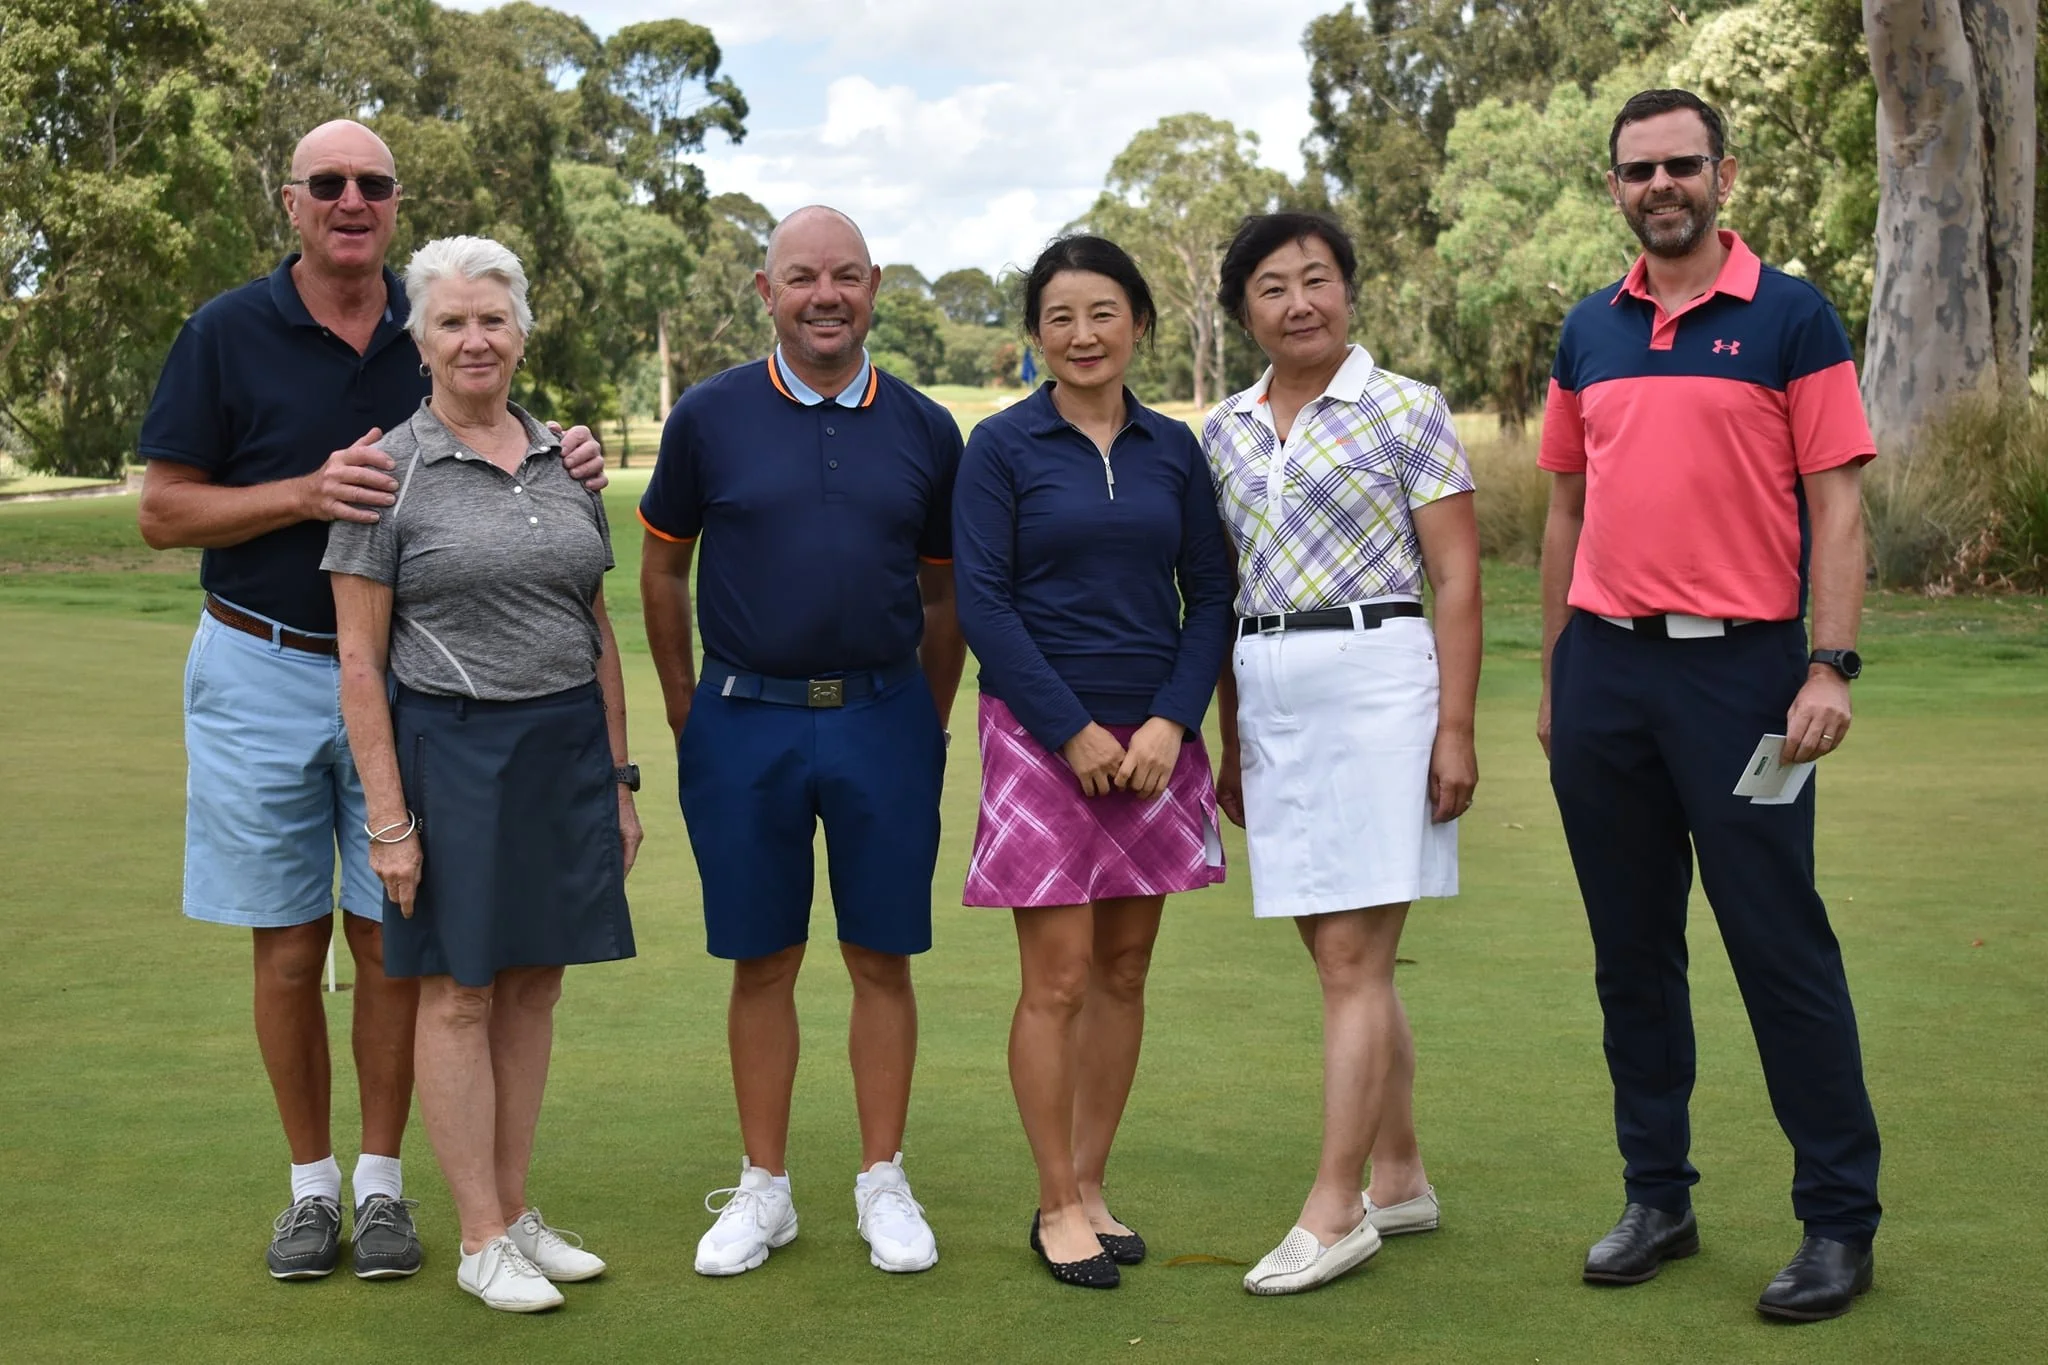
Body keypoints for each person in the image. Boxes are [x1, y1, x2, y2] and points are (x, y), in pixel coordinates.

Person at [136, 120, 606, 1282]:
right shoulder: (226, 332)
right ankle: (312, 1190)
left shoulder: (437, 309)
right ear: (291, 202)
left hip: (404, 686)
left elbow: (493, 428)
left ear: (395, 204)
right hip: (259, 660)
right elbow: (162, 510)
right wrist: (302, 494)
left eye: (374, 184)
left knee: (395, 940)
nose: (352, 200)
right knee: (289, 947)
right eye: (329, 183)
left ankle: (387, 1187)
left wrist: (570, 458)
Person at [1537, 88, 1882, 1322]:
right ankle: (1656, 1199)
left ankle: (1836, 1221)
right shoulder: (1588, 330)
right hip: (1605, 675)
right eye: (1637, 171)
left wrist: (1828, 663)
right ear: (1615, 188)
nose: (1659, 186)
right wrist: (1556, 680)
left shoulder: (1790, 315)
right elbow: (1564, 510)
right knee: (1630, 954)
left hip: (1744, 680)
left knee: (1778, 948)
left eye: (1679, 165)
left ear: (1720, 176)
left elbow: (1836, 503)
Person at [639, 205, 966, 1279]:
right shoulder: (708, 416)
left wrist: (926, 717)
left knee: (881, 956)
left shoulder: (926, 428)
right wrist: (687, 710)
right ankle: (764, 1187)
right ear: (765, 291)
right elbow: (662, 569)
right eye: (801, 277)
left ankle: (882, 1179)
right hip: (744, 721)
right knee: (763, 958)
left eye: (844, 276)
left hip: (884, 718)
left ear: (873, 284)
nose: (824, 296)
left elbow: (942, 594)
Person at [323, 235, 639, 1314]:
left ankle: (512, 1209)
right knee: (459, 990)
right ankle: (476, 1238)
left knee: (535, 981)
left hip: (564, 748)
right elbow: (358, 661)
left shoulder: (565, 460)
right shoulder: (385, 470)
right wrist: (388, 820)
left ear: (520, 335)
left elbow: (594, 625)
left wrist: (620, 778)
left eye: (492, 320)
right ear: (419, 341)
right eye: (451, 322)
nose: (474, 340)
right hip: (449, 749)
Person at [1206, 211, 1481, 1296]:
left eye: (1316, 279)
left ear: (1348, 290)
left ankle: (1336, 1209)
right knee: (1336, 957)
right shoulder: (1222, 431)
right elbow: (1223, 592)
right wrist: (1229, 735)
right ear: (1244, 312)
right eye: (1272, 287)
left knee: (1353, 962)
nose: (1299, 303)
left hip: (1380, 686)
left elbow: (1456, 577)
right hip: (1269, 689)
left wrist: (1455, 727)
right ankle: (1399, 1174)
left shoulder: (1407, 409)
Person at [953, 236, 1234, 1289]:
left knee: (1123, 968)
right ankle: (1053, 1203)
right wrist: (1071, 729)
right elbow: (983, 602)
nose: (1082, 335)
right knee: (1060, 976)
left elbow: (1209, 593)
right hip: (1041, 737)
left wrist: (1171, 720)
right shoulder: (1000, 446)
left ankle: (1091, 1181)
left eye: (1103, 312)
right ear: (1036, 335)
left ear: (1140, 325)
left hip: (1154, 739)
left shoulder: (1174, 448)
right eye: (1060, 317)